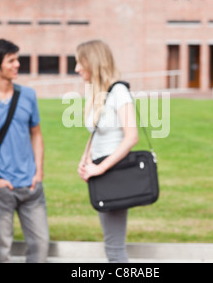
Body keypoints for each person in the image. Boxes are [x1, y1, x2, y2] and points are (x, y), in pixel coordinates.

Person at [0, 39, 49, 263]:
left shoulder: (28, 95)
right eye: (11, 60)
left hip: (31, 187)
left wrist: (39, 173)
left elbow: (36, 134)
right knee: (1, 250)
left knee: (40, 245)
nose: (17, 65)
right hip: (1, 188)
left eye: (17, 59)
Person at [76, 39, 138, 263]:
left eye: (80, 62)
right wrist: (85, 160)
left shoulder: (119, 91)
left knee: (114, 248)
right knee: (111, 245)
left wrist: (99, 168)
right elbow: (96, 132)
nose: (77, 69)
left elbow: (132, 136)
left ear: (92, 62)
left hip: (113, 173)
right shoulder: (98, 92)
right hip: (100, 173)